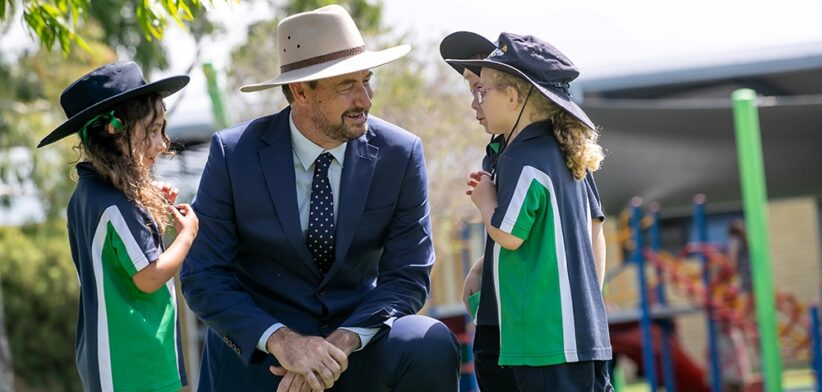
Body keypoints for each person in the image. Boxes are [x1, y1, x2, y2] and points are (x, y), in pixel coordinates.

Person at [180, 5, 460, 392]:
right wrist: (283, 343)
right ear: (299, 91)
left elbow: (408, 275)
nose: (365, 99)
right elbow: (203, 276)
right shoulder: (233, 155)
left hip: (353, 351)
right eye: (347, 85)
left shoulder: (401, 153)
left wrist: (337, 347)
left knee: (427, 342)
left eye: (366, 79)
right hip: (264, 361)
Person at [441, 31, 608, 391]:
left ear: (513, 96)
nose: (475, 102)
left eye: (480, 90)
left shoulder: (522, 156)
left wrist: (486, 201)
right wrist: (586, 312)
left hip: (539, 340)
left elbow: (510, 234)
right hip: (570, 334)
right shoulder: (561, 152)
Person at [37, 62, 198, 392]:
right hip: (135, 365)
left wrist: (148, 205)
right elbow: (150, 276)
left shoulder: (87, 195)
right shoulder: (117, 204)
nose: (162, 143)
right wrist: (187, 235)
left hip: (113, 364)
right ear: (115, 131)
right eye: (152, 131)